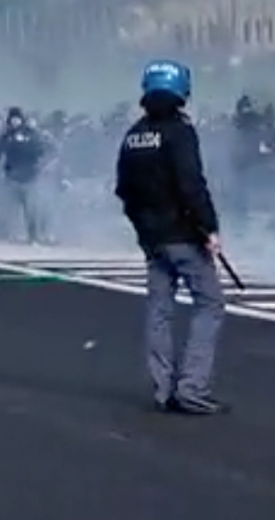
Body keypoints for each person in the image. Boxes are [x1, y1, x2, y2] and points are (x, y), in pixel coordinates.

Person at [114, 60, 227, 416]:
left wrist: (143, 231)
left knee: (159, 311)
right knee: (210, 304)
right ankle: (193, 388)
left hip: (152, 239)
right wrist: (209, 228)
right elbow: (191, 183)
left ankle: (163, 390)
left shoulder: (134, 134)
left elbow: (124, 190)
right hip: (184, 235)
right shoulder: (179, 131)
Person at [0, 106, 51, 243]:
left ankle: (33, 237)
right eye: (12, 119)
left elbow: (42, 150)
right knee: (9, 209)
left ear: (22, 119)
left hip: (30, 177)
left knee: (31, 210)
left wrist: (41, 166)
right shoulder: (6, 136)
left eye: (17, 119)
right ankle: (8, 235)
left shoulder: (32, 134)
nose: (15, 122)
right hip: (11, 178)